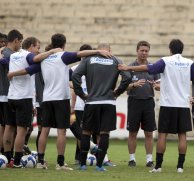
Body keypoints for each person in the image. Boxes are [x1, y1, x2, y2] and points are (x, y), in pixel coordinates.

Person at [118, 39, 194, 173]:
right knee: (182, 136)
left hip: (168, 104)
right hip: (182, 105)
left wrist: (128, 67)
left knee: (163, 135)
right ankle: (180, 167)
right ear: (182, 49)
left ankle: (158, 166)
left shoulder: (166, 61)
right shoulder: (189, 63)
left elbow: (148, 68)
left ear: (170, 49)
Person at [8, 33, 112, 170]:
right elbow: (81, 53)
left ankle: (40, 161)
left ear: (52, 42)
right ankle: (60, 163)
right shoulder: (63, 55)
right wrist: (98, 51)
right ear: (64, 44)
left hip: (46, 99)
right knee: (61, 131)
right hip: (61, 98)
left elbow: (30, 67)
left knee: (44, 130)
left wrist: (13, 73)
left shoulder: (43, 58)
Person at [1, 37, 62, 167]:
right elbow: (34, 61)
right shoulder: (29, 56)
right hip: (23, 98)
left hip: (11, 97)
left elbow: (3, 61)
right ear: (31, 46)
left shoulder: (13, 56)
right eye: (38, 48)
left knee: (9, 127)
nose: (38, 51)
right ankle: (17, 161)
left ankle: (7, 159)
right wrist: (51, 52)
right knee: (22, 130)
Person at [72, 42, 131, 172]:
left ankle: (82, 164)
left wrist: (81, 94)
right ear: (109, 50)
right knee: (104, 133)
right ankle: (99, 165)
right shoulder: (116, 60)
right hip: (108, 102)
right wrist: (117, 92)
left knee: (86, 132)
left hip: (92, 101)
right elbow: (127, 77)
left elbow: (75, 75)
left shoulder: (88, 60)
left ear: (97, 50)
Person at [127, 41, 159, 168]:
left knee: (149, 133)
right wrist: (133, 85)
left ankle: (149, 160)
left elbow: (158, 85)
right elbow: (125, 87)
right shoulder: (130, 67)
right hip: (134, 101)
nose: (144, 53)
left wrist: (157, 86)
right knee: (132, 132)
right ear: (137, 51)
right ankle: (131, 159)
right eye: (142, 50)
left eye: (146, 51)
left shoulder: (153, 68)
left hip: (148, 102)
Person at [0, 29, 23, 166]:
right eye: (20, 42)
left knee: (5, 126)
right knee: (9, 126)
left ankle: (5, 154)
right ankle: (7, 155)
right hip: (8, 94)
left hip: (4, 93)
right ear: (15, 41)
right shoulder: (11, 55)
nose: (20, 45)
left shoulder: (4, 53)